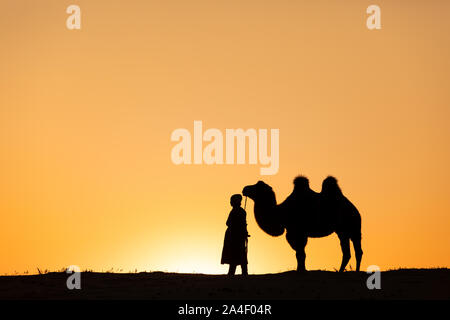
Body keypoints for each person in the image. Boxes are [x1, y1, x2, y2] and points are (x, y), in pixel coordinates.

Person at [221, 194, 249, 276]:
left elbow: (228, 223)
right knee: (241, 253)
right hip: (239, 235)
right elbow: (244, 224)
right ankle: (244, 272)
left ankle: (232, 272)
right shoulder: (242, 212)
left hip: (234, 236)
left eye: (232, 201)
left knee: (234, 253)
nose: (230, 203)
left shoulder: (234, 212)